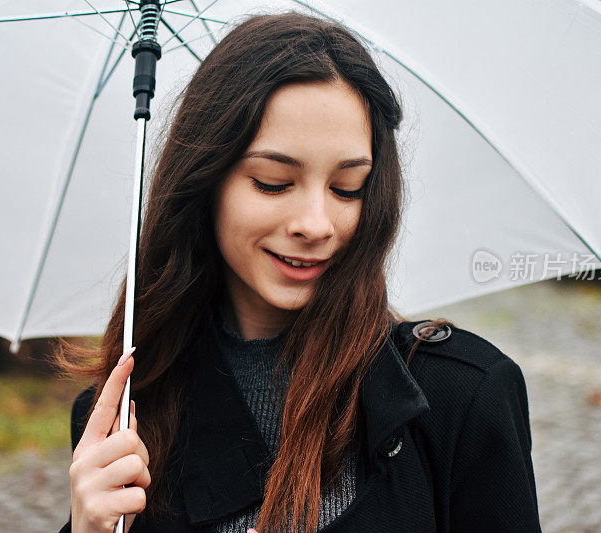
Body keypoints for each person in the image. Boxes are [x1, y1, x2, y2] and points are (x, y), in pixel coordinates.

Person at [54, 12, 541, 533]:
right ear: (206, 183)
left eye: (347, 187)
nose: (317, 224)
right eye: (273, 182)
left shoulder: (462, 398)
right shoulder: (123, 420)